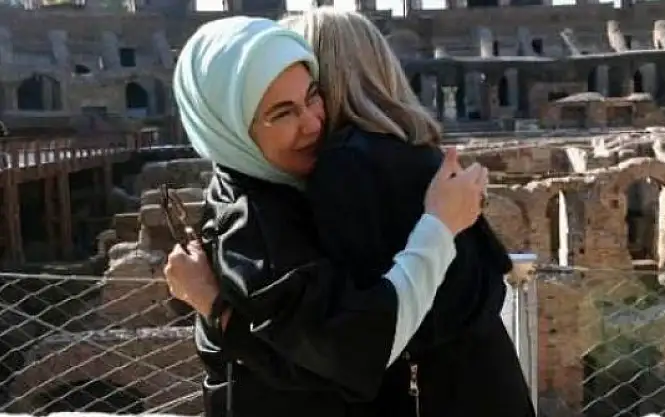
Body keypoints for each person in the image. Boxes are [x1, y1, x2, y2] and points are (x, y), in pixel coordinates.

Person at [167, 15, 489, 417]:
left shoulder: (277, 185)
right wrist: (439, 227)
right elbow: (359, 349)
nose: (312, 123)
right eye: (282, 113)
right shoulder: (252, 222)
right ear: (228, 127)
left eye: (313, 95)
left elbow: (296, 352)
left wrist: (218, 311)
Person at [281, 8, 535, 417]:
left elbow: (366, 320)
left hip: (434, 393)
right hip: (487, 375)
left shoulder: (345, 164)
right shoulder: (413, 150)